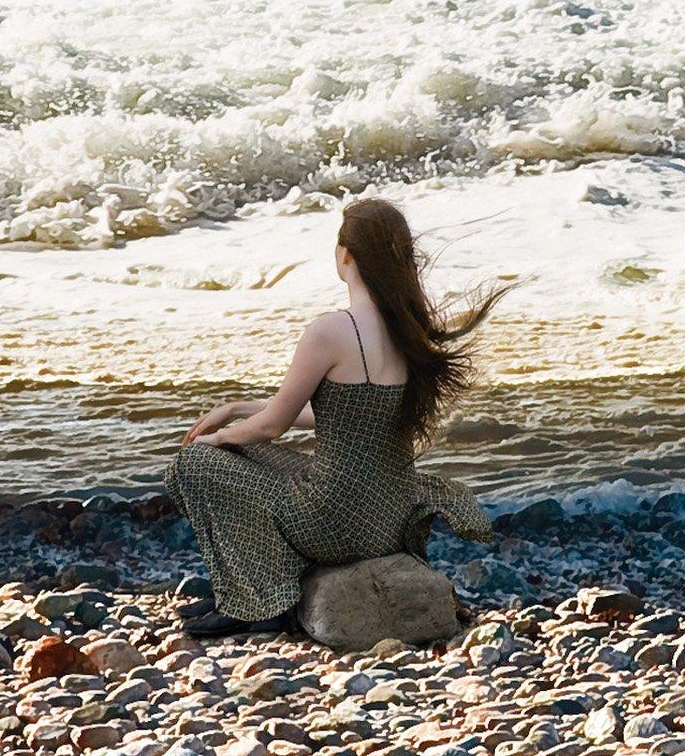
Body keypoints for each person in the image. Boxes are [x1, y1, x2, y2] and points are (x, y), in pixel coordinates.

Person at [170, 196, 489, 640]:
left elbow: (271, 428)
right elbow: (346, 417)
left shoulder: (329, 331)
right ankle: (250, 589)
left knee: (194, 464)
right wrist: (238, 410)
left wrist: (218, 440)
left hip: (335, 522)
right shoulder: (408, 329)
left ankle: (258, 601)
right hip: (388, 519)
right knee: (257, 455)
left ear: (346, 256)